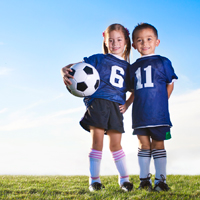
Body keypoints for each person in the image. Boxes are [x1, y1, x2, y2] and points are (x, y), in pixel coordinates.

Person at [61, 23, 134, 192]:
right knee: (97, 143)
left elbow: (135, 90)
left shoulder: (128, 68)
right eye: (111, 40)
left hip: (116, 107)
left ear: (125, 41)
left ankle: (124, 180)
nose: (115, 43)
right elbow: (74, 68)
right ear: (105, 40)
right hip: (98, 104)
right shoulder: (98, 59)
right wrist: (62, 70)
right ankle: (94, 180)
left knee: (116, 145)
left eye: (119, 40)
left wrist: (128, 104)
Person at [123, 23, 178, 192]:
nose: (144, 43)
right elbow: (133, 91)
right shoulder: (132, 67)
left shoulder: (163, 62)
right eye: (139, 40)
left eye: (149, 39)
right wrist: (126, 104)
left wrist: (163, 100)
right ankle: (144, 180)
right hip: (140, 115)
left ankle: (160, 181)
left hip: (159, 115)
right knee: (143, 145)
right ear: (133, 45)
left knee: (158, 145)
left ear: (157, 42)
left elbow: (170, 84)